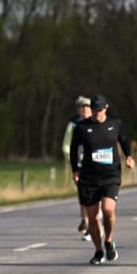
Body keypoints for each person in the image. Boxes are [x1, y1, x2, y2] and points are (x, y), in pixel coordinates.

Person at [70, 95, 136, 264]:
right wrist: (75, 170)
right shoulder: (82, 127)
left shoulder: (115, 124)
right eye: (94, 110)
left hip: (110, 175)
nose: (96, 113)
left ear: (106, 108)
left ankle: (109, 240)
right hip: (89, 177)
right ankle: (98, 251)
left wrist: (129, 156)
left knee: (108, 210)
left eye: (99, 110)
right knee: (92, 217)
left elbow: (124, 140)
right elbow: (73, 149)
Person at [62, 96, 94, 240]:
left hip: (96, 164)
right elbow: (66, 145)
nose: (85, 110)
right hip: (80, 164)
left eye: (87, 107)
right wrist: (72, 160)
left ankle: (92, 219)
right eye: (82, 107)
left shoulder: (97, 122)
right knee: (84, 195)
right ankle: (87, 224)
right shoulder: (73, 125)